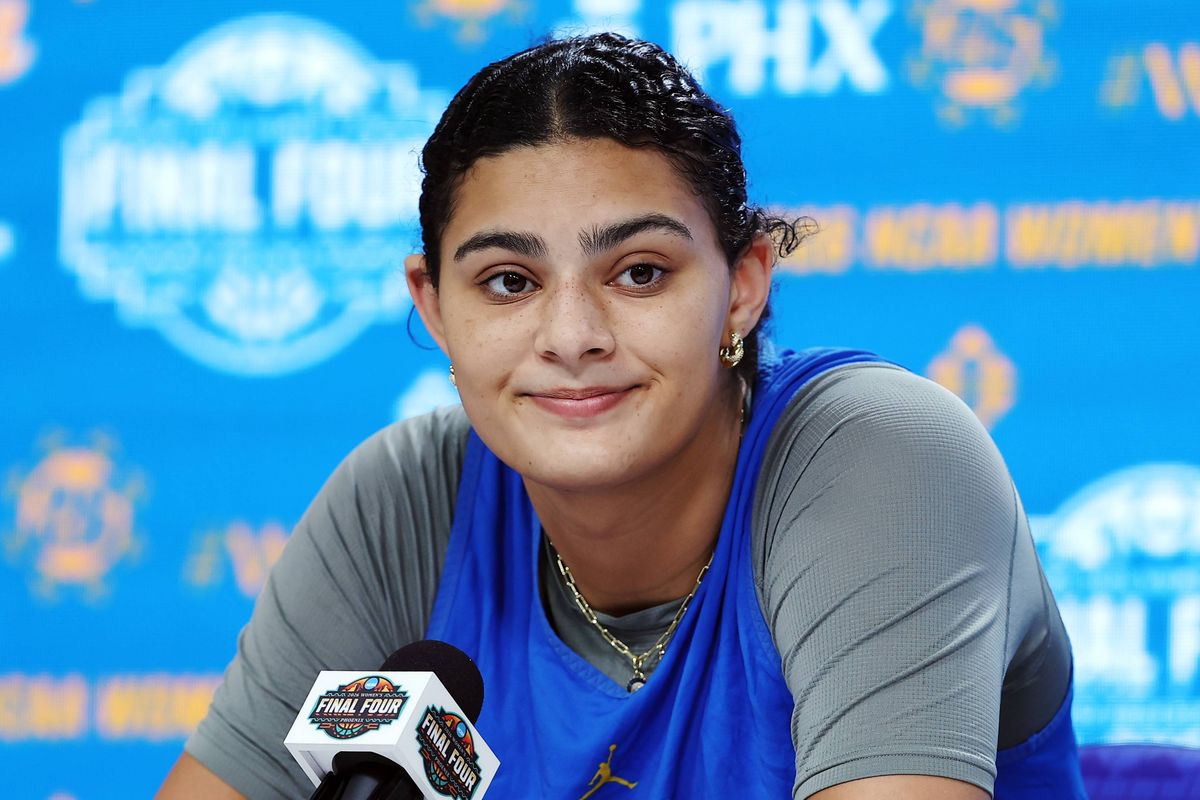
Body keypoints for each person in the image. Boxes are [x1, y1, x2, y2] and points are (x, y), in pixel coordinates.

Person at [158, 33, 1086, 800]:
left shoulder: (880, 458)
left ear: (742, 288)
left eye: (639, 272)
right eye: (508, 282)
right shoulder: (406, 500)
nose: (571, 335)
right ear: (436, 307)